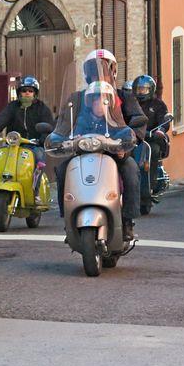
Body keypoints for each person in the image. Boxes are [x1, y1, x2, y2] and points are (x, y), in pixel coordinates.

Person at [54, 50, 144, 244]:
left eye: (104, 69)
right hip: (82, 150)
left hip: (115, 152)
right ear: (87, 74)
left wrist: (126, 144)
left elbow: (138, 121)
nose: (99, 74)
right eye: (94, 71)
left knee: (131, 170)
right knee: (62, 170)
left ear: (113, 71)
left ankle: (127, 221)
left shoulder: (123, 96)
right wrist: (61, 138)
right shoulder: (77, 98)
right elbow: (62, 122)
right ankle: (68, 219)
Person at [0, 75, 55, 203]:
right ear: (19, 93)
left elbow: (48, 125)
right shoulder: (13, 107)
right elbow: (2, 118)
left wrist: (42, 139)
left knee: (39, 159)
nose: (27, 93)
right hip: (14, 144)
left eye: (30, 91)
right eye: (24, 90)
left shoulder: (42, 108)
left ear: (35, 93)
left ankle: (35, 191)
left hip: (34, 144)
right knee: (0, 156)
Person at [131, 75, 170, 198]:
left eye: (144, 89)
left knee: (153, 150)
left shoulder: (158, 104)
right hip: (132, 138)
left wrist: (161, 130)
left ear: (151, 89)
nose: (141, 92)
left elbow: (164, 120)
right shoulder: (131, 103)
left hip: (151, 137)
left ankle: (151, 183)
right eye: (138, 89)